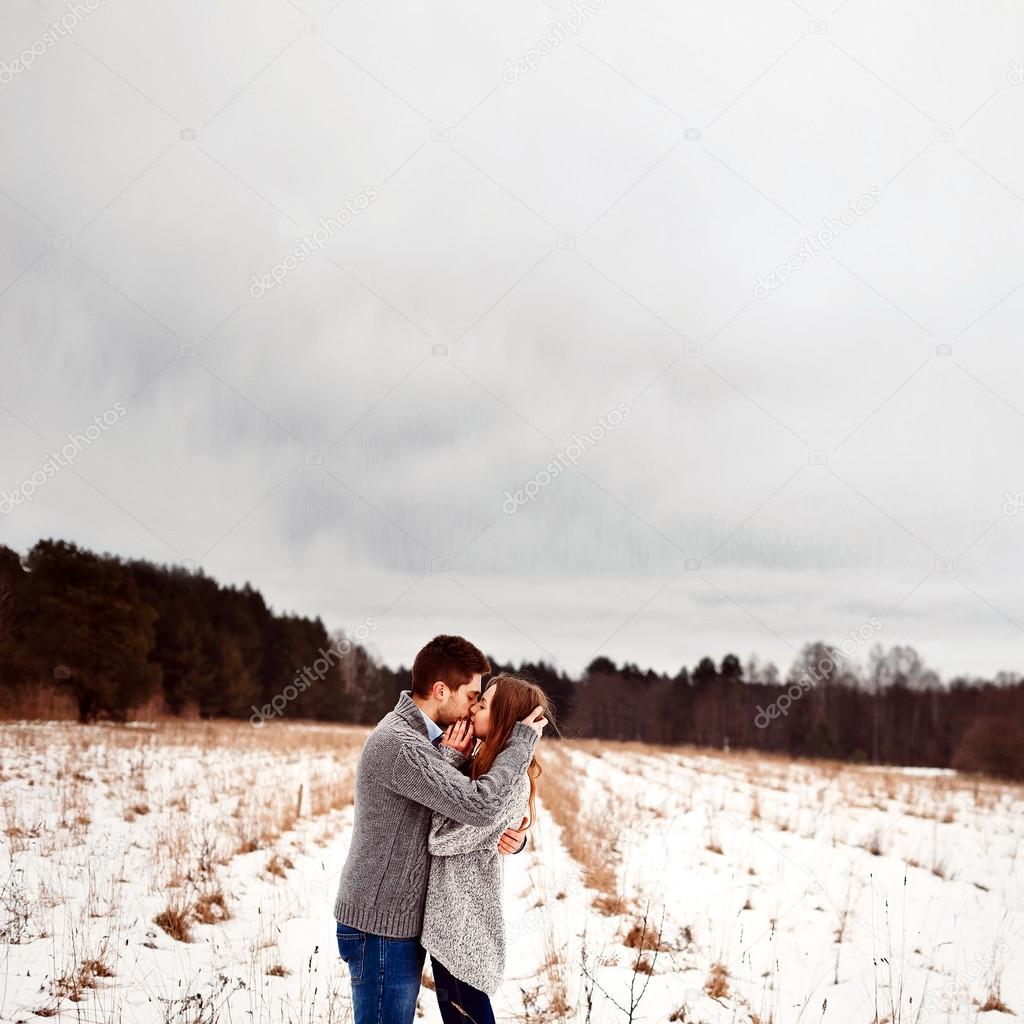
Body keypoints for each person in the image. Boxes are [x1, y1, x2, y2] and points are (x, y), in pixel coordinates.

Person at [333, 636, 548, 1024]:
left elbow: (480, 809)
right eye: (472, 695)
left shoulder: (429, 740)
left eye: (482, 700)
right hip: (381, 925)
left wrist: (513, 840)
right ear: (440, 690)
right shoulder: (402, 744)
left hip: (398, 923)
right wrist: (520, 746)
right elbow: (476, 806)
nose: (473, 705)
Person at [421, 673, 556, 1024]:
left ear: (502, 720)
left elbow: (443, 837)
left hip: (465, 932)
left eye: (483, 704)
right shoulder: (489, 769)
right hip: (454, 924)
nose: (473, 708)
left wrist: (449, 761)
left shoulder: (508, 783)